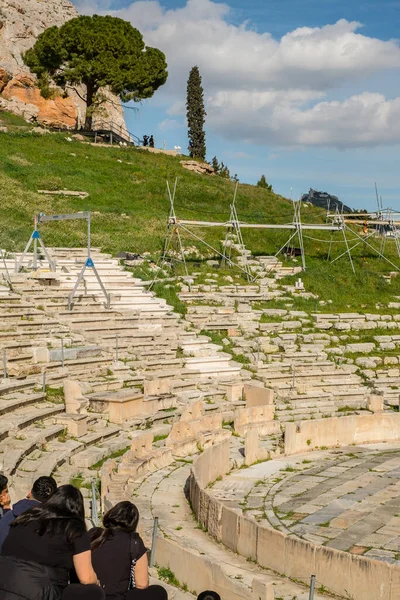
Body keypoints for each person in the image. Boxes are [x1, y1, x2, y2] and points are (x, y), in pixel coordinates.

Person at [0, 484, 104, 600]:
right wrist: (97, 582)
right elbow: (86, 578)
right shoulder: (75, 528)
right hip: (39, 590)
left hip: (4, 578)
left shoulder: (26, 516)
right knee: (95, 592)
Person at [89, 501, 167, 600]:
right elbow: (142, 584)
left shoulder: (94, 534)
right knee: (159, 592)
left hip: (91, 594)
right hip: (118, 597)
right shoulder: (134, 542)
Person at [0, 475, 57, 550]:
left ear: (29, 493)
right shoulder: (51, 525)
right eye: (5, 492)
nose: (7, 495)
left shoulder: (9, 516)